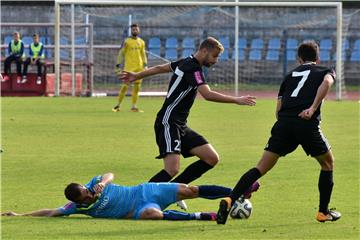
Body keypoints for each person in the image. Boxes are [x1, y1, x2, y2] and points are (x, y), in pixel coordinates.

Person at [120, 37, 257, 211]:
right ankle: (136, 200)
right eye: (214, 56)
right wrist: (236, 100)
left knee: (211, 158)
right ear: (205, 51)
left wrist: (137, 75)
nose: (215, 61)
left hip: (180, 124)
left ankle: (174, 191)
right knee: (172, 169)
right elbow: (207, 94)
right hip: (168, 122)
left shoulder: (186, 62)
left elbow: (160, 68)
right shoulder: (193, 68)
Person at [216, 41, 341, 225]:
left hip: (283, 124)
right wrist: (312, 108)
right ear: (318, 58)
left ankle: (230, 199)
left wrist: (286, 126)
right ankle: (323, 212)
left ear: (299, 59)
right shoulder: (325, 70)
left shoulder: (289, 76)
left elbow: (278, 109)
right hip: (306, 123)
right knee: (328, 164)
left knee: (260, 167)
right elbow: (327, 83)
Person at [1, 172, 258, 221]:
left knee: (190, 189)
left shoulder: (95, 184)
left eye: (88, 189)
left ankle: (239, 192)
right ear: (79, 201)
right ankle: (201, 216)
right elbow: (51, 212)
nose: (90, 194)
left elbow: (110, 173)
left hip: (144, 190)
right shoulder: (76, 208)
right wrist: (20, 214)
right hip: (138, 210)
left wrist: (102, 183)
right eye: (86, 195)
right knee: (153, 215)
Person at [112, 23, 147, 112]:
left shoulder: (142, 42)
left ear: (139, 30)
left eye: (136, 29)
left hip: (139, 68)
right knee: (124, 87)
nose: (135, 31)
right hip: (128, 68)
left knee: (137, 88)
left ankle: (134, 107)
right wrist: (118, 64)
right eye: (133, 29)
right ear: (131, 31)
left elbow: (143, 54)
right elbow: (121, 53)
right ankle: (117, 106)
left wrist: (145, 65)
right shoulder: (126, 41)